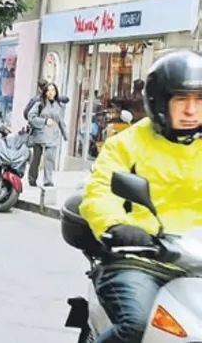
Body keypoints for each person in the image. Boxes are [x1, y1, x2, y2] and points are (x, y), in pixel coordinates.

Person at [79, 49, 202, 343]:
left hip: (195, 264)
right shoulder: (126, 144)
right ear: (159, 103)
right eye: (181, 100)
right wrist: (117, 226)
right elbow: (99, 192)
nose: (191, 110)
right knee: (136, 325)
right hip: (139, 261)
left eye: (200, 100)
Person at [26, 81, 67, 188]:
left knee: (49, 159)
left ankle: (48, 181)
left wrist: (65, 134)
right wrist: (44, 121)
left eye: (53, 90)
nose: (51, 92)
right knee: (36, 159)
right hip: (39, 135)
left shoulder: (59, 105)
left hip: (53, 135)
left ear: (56, 92)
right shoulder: (39, 104)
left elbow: (60, 120)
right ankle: (32, 178)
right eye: (48, 90)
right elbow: (31, 117)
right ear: (45, 92)